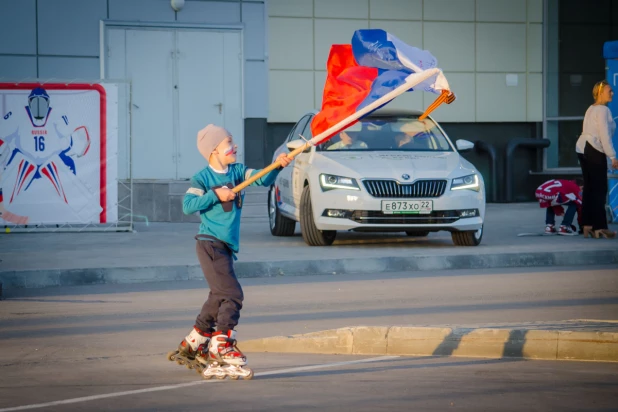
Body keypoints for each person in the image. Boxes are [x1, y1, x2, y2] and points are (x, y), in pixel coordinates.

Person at [169, 124, 291, 379]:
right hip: (209, 243)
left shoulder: (237, 171)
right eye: (228, 142)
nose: (234, 146)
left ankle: (194, 342)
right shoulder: (202, 178)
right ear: (214, 150)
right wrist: (216, 194)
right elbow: (188, 206)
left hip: (224, 246)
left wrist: (279, 164)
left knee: (219, 295)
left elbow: (262, 177)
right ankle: (222, 344)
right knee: (233, 294)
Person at [575, 79, 618, 239]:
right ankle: (600, 227)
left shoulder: (591, 109)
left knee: (590, 189)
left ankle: (587, 225)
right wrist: (612, 156)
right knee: (599, 189)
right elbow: (604, 135)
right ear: (600, 92)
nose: (612, 93)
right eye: (609, 91)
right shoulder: (603, 110)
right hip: (593, 148)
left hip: (582, 147)